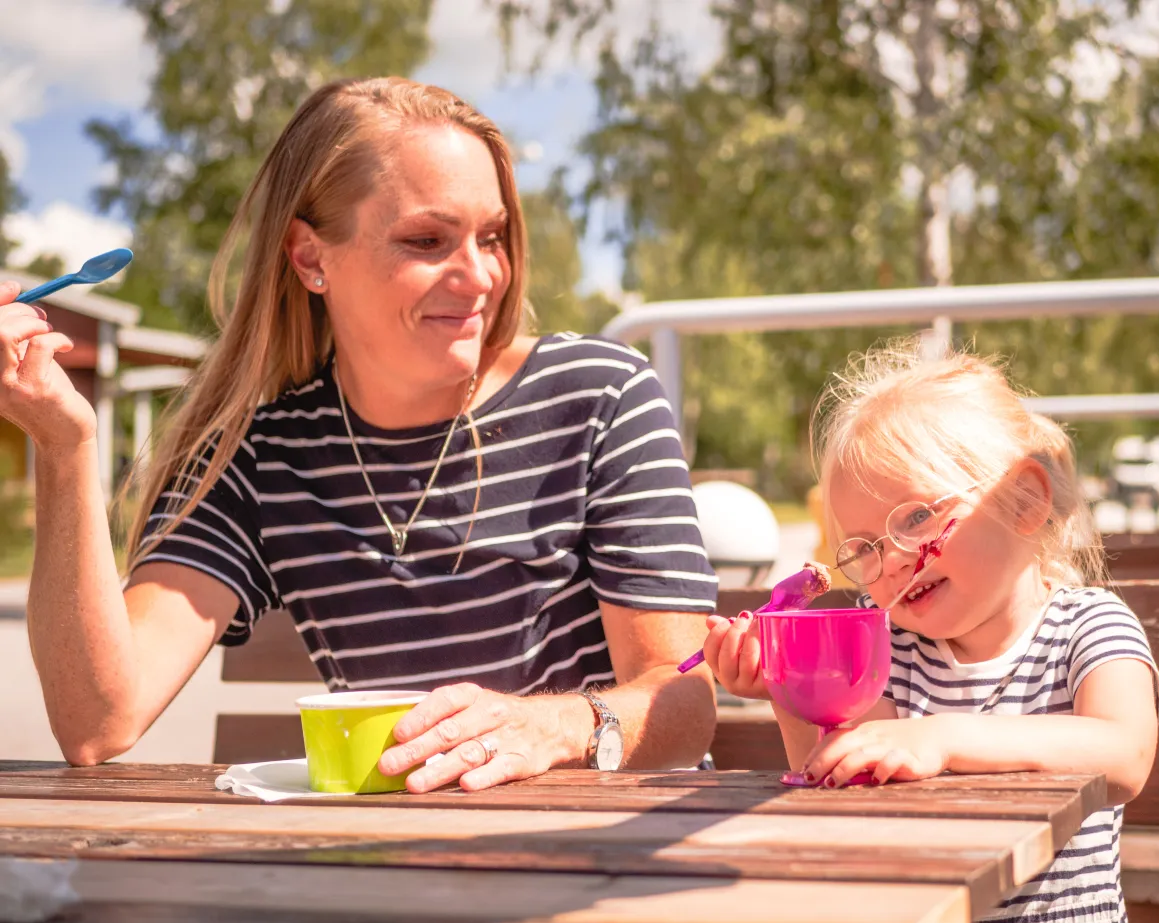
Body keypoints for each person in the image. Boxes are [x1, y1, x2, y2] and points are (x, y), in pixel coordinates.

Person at [2, 77, 718, 791]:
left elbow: (682, 700)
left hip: (596, 858)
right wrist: (64, 447)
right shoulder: (264, 456)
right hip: (391, 865)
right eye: (427, 240)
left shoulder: (599, 395)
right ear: (311, 258)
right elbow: (96, 720)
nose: (479, 277)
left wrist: (551, 728)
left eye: (492, 237)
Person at [702, 347, 1159, 923]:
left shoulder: (1085, 626)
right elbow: (845, 779)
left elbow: (1123, 753)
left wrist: (939, 738)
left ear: (1023, 501)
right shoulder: (896, 651)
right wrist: (787, 687)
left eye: (915, 517)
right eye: (861, 548)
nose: (888, 561)